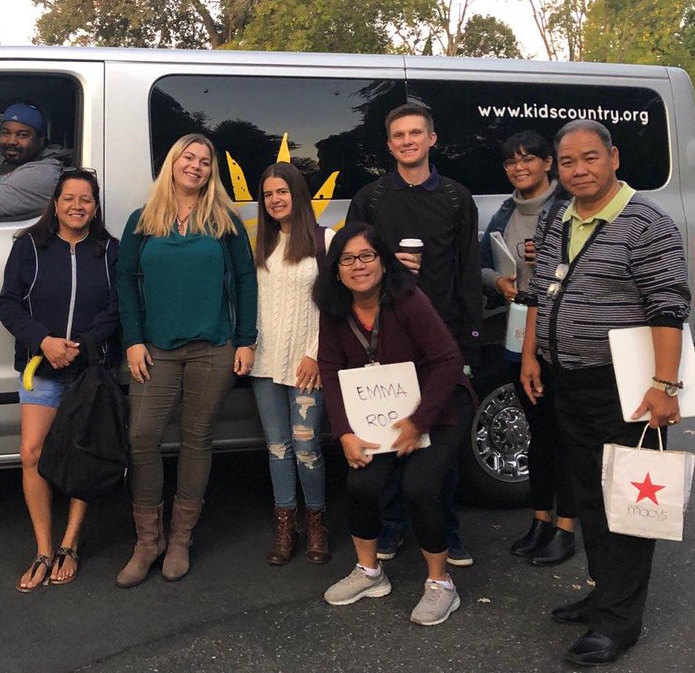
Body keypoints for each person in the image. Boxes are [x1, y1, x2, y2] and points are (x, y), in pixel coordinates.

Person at [521, 120, 690, 667]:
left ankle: (619, 623)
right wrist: (530, 355)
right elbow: (539, 294)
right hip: (567, 380)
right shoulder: (558, 217)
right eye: (568, 162)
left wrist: (665, 385)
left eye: (590, 158)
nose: (579, 170)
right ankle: (604, 595)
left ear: (614, 158)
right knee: (590, 496)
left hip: (627, 386)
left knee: (628, 502)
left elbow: (668, 306)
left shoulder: (647, 223)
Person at [115, 133, 258, 586]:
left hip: (212, 348)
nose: (195, 166)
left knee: (197, 439)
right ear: (173, 163)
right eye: (188, 157)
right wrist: (133, 340)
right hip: (155, 349)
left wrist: (246, 339)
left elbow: (245, 278)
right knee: (142, 438)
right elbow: (124, 280)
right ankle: (147, 542)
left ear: (212, 171)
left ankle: (179, 540)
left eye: (204, 161)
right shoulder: (143, 220)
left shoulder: (224, 220)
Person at [316, 223, 476, 625]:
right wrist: (344, 433)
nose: (358, 266)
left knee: (420, 486)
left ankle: (441, 584)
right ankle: (370, 573)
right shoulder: (334, 311)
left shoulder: (408, 300)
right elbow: (330, 371)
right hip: (381, 412)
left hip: (439, 408)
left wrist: (419, 422)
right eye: (347, 259)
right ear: (336, 270)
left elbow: (448, 361)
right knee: (361, 483)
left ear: (384, 262)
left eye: (366, 256)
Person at [347, 101, 482, 567]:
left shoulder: (456, 198)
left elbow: (468, 271)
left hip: (441, 341)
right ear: (389, 145)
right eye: (399, 135)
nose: (408, 141)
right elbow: (352, 262)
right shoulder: (371, 199)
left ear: (431, 139)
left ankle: (447, 529)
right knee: (388, 435)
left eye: (415, 133)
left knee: (440, 439)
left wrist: (469, 341)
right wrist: (387, 264)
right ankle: (391, 525)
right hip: (383, 337)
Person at [0, 168, 121, 591]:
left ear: (95, 206)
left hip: (90, 370)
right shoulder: (28, 246)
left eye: (86, 199)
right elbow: (9, 304)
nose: (77, 206)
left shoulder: (111, 251)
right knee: (32, 454)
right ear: (55, 203)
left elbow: (117, 309)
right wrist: (44, 341)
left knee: (83, 455)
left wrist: (81, 346)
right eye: (69, 198)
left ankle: (70, 543)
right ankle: (43, 549)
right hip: (42, 367)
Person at [480, 130, 576, 566]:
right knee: (537, 430)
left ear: (548, 163)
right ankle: (540, 520)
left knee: (565, 433)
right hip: (519, 332)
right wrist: (497, 281)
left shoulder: (569, 208)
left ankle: (566, 527)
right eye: (511, 162)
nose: (519, 168)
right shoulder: (505, 211)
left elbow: (584, 267)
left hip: (560, 334)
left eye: (528, 159)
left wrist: (552, 260)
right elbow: (481, 264)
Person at [251, 163, 333, 566]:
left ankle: (317, 522)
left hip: (307, 365)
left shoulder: (324, 240)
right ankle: (286, 526)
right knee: (277, 448)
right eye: (268, 194)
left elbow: (335, 303)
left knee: (306, 448)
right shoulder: (261, 244)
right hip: (265, 363)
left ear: (297, 194)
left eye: (281, 191)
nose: (275, 200)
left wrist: (316, 354)